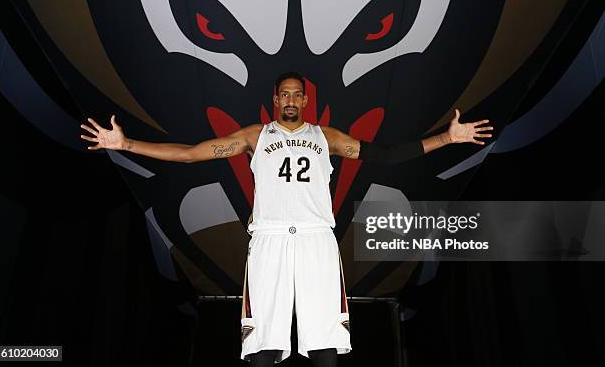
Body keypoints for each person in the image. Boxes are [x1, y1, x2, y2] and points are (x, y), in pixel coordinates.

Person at [80, 71, 493, 366]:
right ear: (275, 100)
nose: (291, 100)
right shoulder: (254, 137)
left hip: (316, 238)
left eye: (298, 94)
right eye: (285, 95)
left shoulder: (326, 137)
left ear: (305, 101)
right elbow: (190, 153)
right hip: (270, 240)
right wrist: (126, 143)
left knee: (325, 343)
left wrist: (448, 137)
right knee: (263, 344)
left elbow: (384, 156)